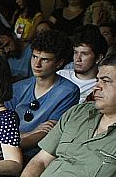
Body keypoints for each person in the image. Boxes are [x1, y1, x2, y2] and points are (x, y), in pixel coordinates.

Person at [5, 29, 80, 157]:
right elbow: (2, 126)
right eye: (34, 57)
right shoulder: (18, 87)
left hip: (37, 155)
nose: (37, 64)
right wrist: (27, 134)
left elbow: (49, 133)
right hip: (7, 150)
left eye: (45, 60)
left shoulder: (68, 91)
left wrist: (11, 140)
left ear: (59, 63)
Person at [60, 24, 109, 99]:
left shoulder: (101, 86)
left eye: (84, 54)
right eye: (76, 52)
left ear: (98, 58)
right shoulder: (60, 75)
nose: (78, 59)